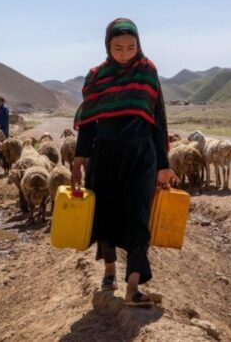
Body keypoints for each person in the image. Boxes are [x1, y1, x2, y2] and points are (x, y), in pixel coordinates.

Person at [71, 18, 178, 307]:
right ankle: (109, 269)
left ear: (139, 45)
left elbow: (159, 119)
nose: (125, 53)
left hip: (142, 154)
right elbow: (90, 121)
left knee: (138, 216)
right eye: (118, 48)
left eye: (131, 47)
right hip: (105, 154)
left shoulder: (147, 71)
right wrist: (80, 157)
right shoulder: (97, 76)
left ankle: (133, 286)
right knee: (104, 213)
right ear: (107, 46)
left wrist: (163, 163)